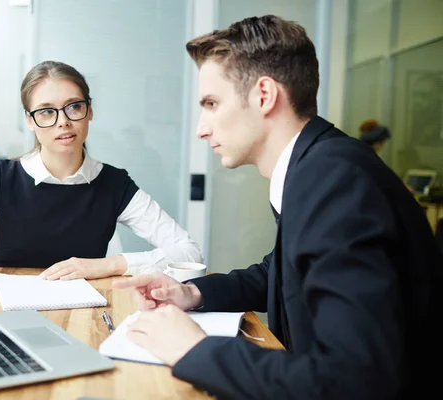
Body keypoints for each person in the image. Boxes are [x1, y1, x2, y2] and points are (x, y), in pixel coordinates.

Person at [114, 15, 442, 399]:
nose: (202, 128)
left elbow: (356, 379)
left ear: (264, 96)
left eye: (211, 104)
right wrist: (191, 293)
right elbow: (281, 271)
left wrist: (194, 350)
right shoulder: (318, 166)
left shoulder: (334, 180)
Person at [0, 61, 202, 279]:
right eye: (47, 111)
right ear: (31, 121)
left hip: (85, 315)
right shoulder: (3, 179)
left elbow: (188, 253)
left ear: (90, 112)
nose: (63, 121)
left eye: (74, 107)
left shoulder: (114, 184)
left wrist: (105, 266)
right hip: (6, 313)